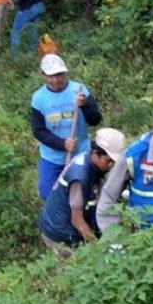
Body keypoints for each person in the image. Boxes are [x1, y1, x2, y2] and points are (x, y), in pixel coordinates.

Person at [38, 128, 126, 248]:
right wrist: (97, 247)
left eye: (114, 161)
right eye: (108, 161)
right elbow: (77, 220)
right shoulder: (80, 177)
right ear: (96, 152)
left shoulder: (90, 161)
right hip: (60, 235)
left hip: (69, 226)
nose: (111, 165)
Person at [31, 54, 102, 199]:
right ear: (43, 75)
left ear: (65, 73)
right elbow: (38, 131)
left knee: (84, 194)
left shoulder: (80, 91)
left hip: (80, 153)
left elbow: (95, 120)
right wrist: (62, 143)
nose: (56, 79)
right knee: (49, 194)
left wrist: (85, 105)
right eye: (51, 76)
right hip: (52, 157)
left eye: (59, 74)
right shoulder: (39, 98)